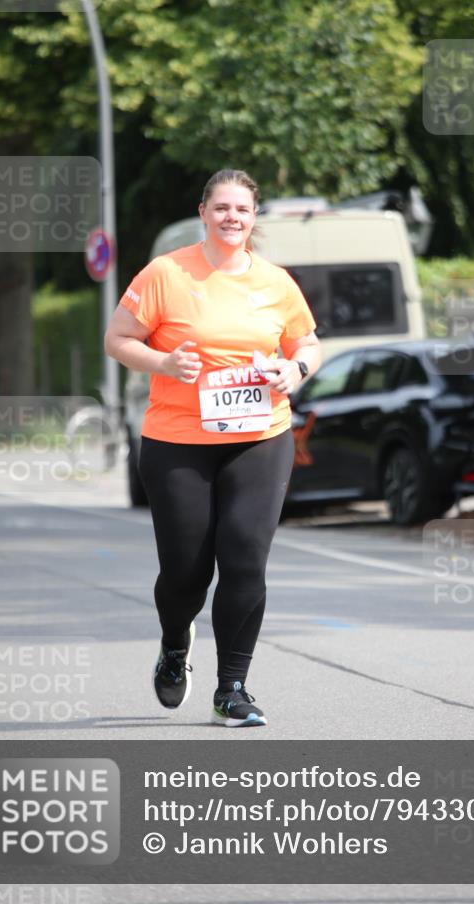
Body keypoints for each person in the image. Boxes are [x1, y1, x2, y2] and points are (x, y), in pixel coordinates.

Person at [104, 169, 321, 727]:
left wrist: (293, 369)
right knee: (185, 572)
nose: (232, 218)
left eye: (242, 210)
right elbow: (118, 338)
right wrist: (164, 362)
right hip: (178, 439)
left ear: (254, 218)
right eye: (221, 207)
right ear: (203, 212)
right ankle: (175, 643)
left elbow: (308, 343)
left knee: (246, 557)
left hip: (260, 435)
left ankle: (232, 688)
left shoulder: (275, 282)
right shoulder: (165, 273)